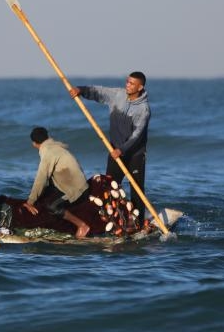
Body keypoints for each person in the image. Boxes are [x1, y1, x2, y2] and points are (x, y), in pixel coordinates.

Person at [70, 71, 151, 224]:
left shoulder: (144, 109)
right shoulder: (117, 95)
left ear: (140, 87)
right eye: (127, 81)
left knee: (137, 190)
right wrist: (81, 90)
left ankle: (139, 222)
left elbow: (137, 136)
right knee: (110, 187)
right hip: (115, 150)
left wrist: (122, 150)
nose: (127, 85)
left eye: (132, 83)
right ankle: (112, 220)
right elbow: (98, 92)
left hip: (135, 154)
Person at [23, 126, 92, 238]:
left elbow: (41, 179)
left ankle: (82, 225)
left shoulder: (48, 153)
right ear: (47, 137)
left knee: (53, 206)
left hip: (77, 191)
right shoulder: (56, 146)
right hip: (73, 185)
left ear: (34, 144)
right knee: (45, 195)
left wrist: (30, 202)